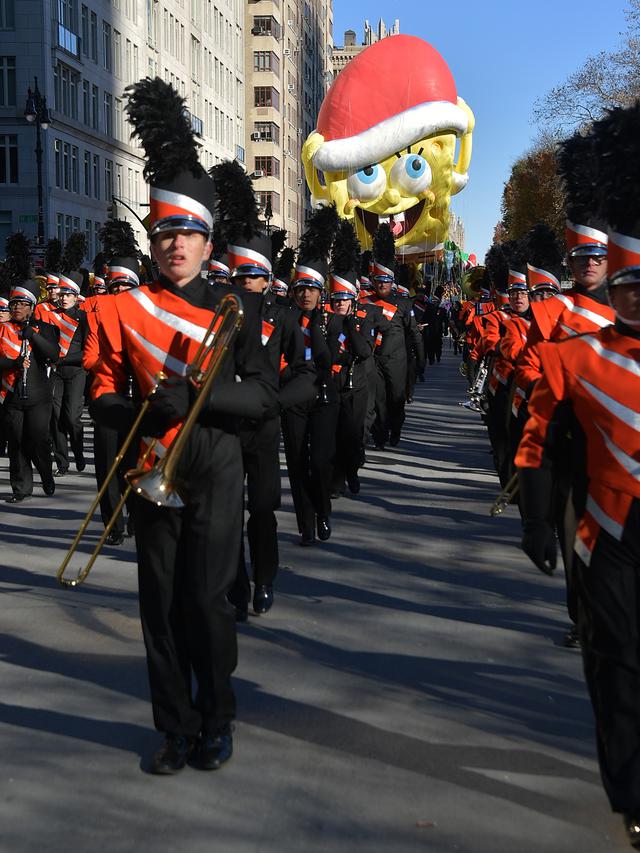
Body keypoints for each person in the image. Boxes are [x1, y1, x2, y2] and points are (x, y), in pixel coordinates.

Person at [90, 78, 276, 775]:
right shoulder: (121, 308)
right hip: (151, 459)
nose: (177, 244)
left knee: (205, 602)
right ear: (155, 236)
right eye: (166, 231)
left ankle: (217, 715)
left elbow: (261, 399)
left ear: (207, 241)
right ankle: (175, 726)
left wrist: (201, 392)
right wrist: (144, 410)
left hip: (217, 461)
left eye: (190, 232)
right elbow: (100, 394)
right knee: (159, 609)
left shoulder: (241, 311)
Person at [516, 102, 640, 849]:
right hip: (608, 528)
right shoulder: (572, 353)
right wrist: (537, 517)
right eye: (624, 283)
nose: (631, 293)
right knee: (620, 661)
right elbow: (533, 437)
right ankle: (629, 786)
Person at [209, 161, 315, 617]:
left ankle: (265, 577)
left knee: (264, 511)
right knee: (228, 512)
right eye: (238, 278)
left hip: (265, 424)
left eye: (252, 277)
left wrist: (276, 400)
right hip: (226, 428)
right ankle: (236, 581)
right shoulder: (217, 315)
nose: (244, 285)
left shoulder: (287, 318)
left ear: (268, 278)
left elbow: (307, 374)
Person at [281, 205, 342, 545]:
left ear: (321, 292)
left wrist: (317, 325)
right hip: (294, 399)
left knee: (318, 462)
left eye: (311, 288)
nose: (304, 294)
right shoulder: (283, 320)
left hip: (323, 398)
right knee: (296, 462)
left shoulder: (333, 322)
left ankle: (322, 511)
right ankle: (305, 524)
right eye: (299, 288)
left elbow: (331, 358)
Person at [0, 279, 59, 502]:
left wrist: (33, 335)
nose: (17, 308)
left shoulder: (45, 328)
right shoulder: (3, 330)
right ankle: (21, 488)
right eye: (14, 304)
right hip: (12, 396)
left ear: (32, 307)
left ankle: (46, 472)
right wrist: (13, 363)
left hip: (39, 396)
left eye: (22, 304)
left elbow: (53, 355)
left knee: (38, 439)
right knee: (16, 442)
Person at [50, 272, 89, 476]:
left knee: (72, 417)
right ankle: (62, 463)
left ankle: (79, 450)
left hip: (76, 371)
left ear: (76, 296)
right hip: (55, 373)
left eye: (69, 294)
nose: (64, 298)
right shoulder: (51, 315)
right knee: (55, 417)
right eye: (62, 294)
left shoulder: (84, 317)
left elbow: (88, 349)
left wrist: (65, 359)